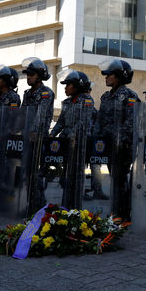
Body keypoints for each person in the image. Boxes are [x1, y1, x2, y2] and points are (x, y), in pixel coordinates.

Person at [98, 58, 140, 220]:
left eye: (110, 75)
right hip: (108, 145)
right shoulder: (105, 97)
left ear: (120, 76)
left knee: (122, 179)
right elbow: (100, 120)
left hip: (123, 146)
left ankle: (124, 214)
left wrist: (121, 140)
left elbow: (131, 120)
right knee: (114, 178)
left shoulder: (130, 95)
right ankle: (116, 211)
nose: (106, 77)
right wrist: (97, 140)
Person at [49, 69, 96, 209]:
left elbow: (84, 122)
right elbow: (61, 122)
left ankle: (75, 207)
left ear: (77, 86)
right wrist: (52, 134)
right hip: (66, 144)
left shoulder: (87, 100)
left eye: (68, 84)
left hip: (79, 144)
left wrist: (72, 136)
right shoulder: (67, 102)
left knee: (76, 176)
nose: (65, 87)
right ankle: (65, 205)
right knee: (65, 177)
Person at [21, 57, 55, 209]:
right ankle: (31, 204)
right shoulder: (27, 93)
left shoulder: (46, 93)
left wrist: (34, 131)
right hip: (26, 138)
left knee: (37, 173)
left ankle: (40, 206)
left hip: (38, 138)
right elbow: (22, 114)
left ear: (40, 76)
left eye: (32, 75)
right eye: (27, 75)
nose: (28, 77)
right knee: (27, 172)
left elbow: (40, 115)